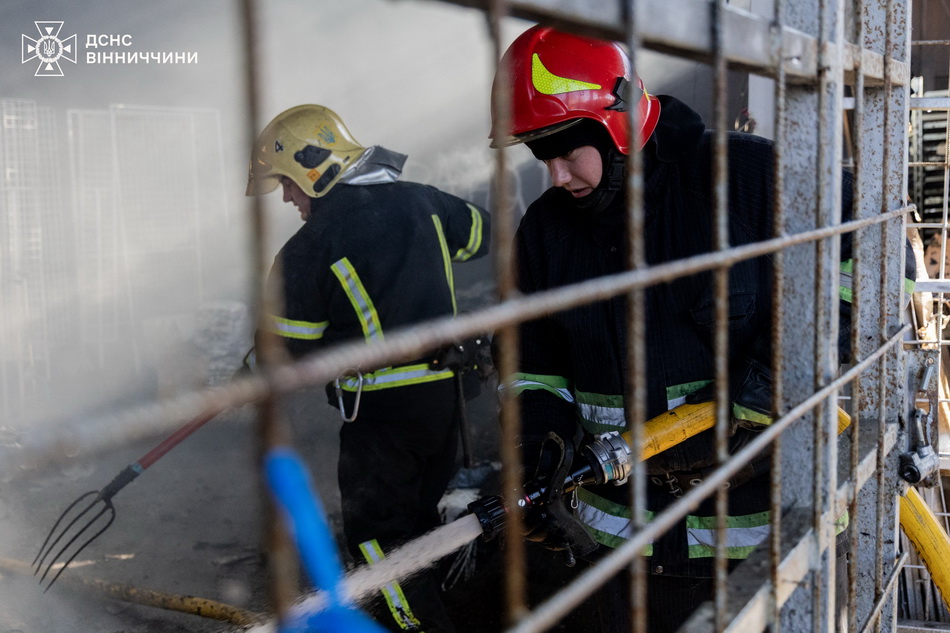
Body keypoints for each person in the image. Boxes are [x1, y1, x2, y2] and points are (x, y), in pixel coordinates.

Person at [488, 25, 873, 632]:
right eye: (540, 155)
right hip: (622, 554)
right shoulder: (545, 234)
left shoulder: (745, 178)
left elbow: (875, 259)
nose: (556, 175)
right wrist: (539, 447)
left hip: (766, 544)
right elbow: (527, 362)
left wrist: (782, 372)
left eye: (565, 149)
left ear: (612, 121)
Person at [245, 104, 490, 633]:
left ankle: (418, 627)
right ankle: (442, 605)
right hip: (446, 403)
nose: (287, 199)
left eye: (287, 184)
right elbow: (480, 234)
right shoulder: (423, 201)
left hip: (380, 414)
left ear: (315, 167)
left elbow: (291, 353)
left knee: (375, 539)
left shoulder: (307, 249)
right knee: (422, 523)